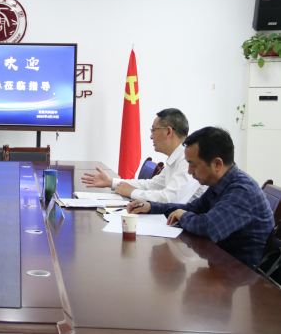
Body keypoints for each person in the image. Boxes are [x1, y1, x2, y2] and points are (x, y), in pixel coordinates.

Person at [127, 127, 275, 267]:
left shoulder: (242, 191)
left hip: (244, 275)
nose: (189, 171)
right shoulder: (220, 183)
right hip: (222, 263)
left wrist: (183, 215)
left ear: (217, 164)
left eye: (193, 165)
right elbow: (193, 208)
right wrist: (151, 207)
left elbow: (210, 228)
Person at [82, 108, 206, 203]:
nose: (151, 136)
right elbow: (152, 185)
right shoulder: (176, 157)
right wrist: (111, 182)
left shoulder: (188, 160)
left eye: (153, 130)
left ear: (168, 132)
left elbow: (171, 199)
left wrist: (133, 193)